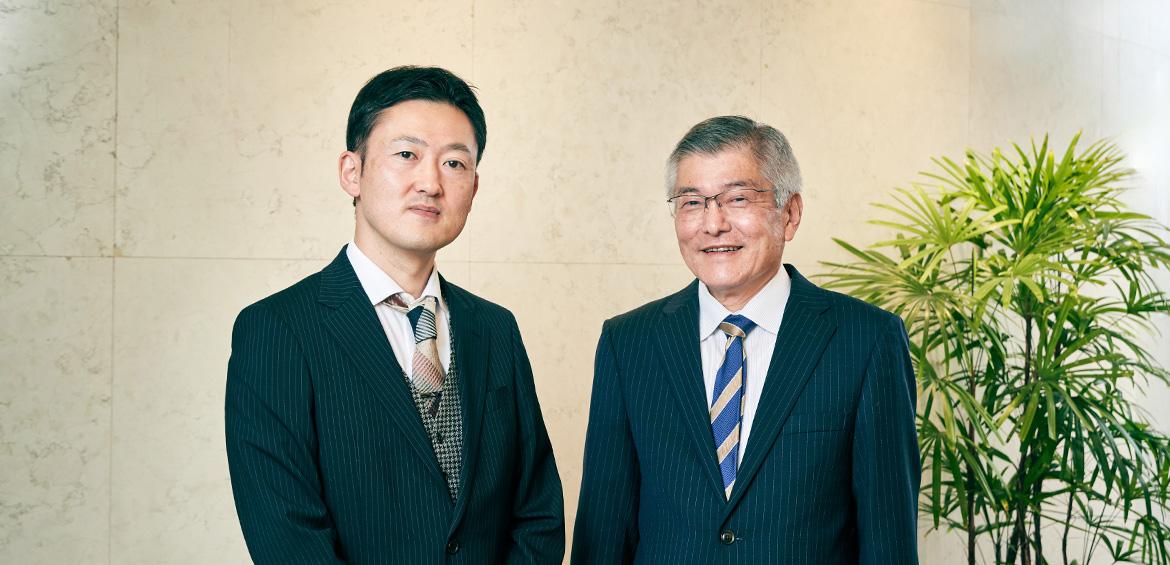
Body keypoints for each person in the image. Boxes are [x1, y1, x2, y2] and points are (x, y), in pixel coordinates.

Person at [226, 66, 564, 564]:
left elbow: (537, 512)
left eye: (454, 163)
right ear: (352, 172)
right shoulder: (277, 329)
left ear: (474, 187)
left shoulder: (495, 329)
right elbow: (286, 532)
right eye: (407, 155)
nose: (430, 182)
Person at [572, 116, 919, 564]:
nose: (713, 224)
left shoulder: (866, 340)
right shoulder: (628, 343)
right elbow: (603, 532)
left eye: (737, 198)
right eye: (692, 202)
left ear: (789, 214)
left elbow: (888, 539)